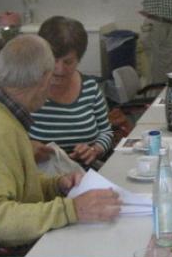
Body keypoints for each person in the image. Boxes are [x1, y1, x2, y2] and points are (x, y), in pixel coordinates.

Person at [0, 35, 122, 247]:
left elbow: (13, 184)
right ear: (44, 79)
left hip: (6, 246)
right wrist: (72, 210)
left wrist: (56, 185)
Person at [28, 16, 114, 169]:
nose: (59, 69)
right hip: (41, 176)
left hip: (84, 173)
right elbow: (9, 139)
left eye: (68, 62)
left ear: (78, 60)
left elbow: (106, 131)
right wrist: (29, 146)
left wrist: (94, 150)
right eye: (54, 60)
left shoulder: (90, 88)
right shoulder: (27, 91)